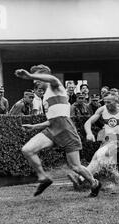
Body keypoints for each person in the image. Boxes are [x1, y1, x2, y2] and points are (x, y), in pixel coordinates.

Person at [15, 64, 101, 197]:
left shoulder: (56, 86)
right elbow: (52, 119)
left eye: (38, 76)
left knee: (76, 167)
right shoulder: (45, 97)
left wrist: (29, 75)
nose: (35, 81)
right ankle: (43, 178)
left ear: (45, 75)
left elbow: (52, 78)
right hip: (52, 129)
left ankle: (94, 183)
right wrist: (35, 126)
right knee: (27, 150)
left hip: (66, 130)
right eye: (34, 78)